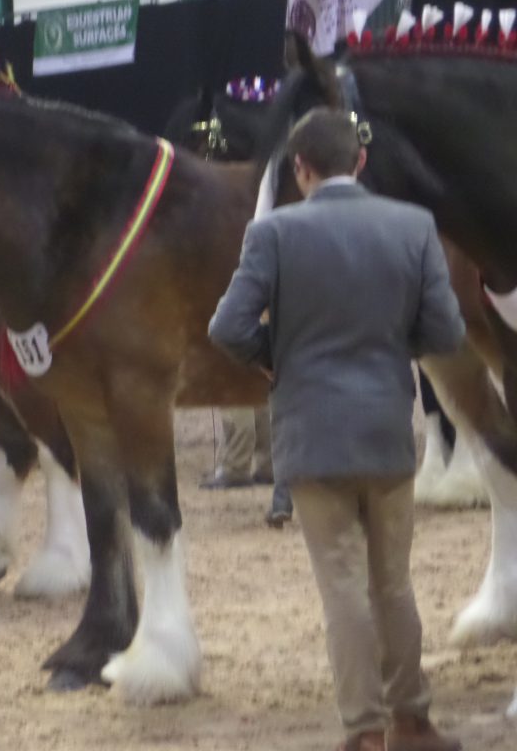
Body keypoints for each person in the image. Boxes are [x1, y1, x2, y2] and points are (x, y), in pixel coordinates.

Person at [209, 108, 463, 751]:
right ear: (361, 160)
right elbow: (448, 334)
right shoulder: (413, 225)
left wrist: (278, 358)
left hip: (312, 435)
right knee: (394, 584)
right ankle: (412, 717)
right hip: (385, 427)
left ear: (300, 168)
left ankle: (365, 731)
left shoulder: (272, 235)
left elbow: (227, 328)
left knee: (343, 587)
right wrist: (390, 345)